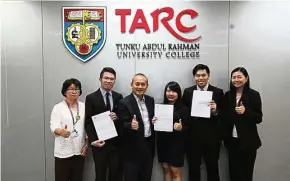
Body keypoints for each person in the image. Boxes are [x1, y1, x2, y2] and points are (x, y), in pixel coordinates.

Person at [182, 64, 224, 181]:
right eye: (198, 75)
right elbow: (184, 113)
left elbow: (224, 115)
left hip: (212, 139)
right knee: (193, 170)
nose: (200, 78)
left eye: (203, 75)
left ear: (208, 75)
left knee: (213, 170)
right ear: (194, 77)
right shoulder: (188, 92)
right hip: (192, 139)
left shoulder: (218, 92)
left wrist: (216, 110)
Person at [221, 67, 263, 181]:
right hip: (232, 141)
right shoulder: (228, 95)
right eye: (233, 77)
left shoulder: (254, 94)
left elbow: (259, 118)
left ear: (246, 78)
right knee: (233, 173)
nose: (236, 80)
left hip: (248, 142)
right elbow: (224, 117)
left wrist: (246, 112)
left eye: (239, 77)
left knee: (246, 174)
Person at [85, 67, 123, 181]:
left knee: (115, 175)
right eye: (106, 78)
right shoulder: (91, 98)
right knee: (100, 175)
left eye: (112, 79)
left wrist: (117, 117)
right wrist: (93, 141)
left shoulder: (118, 97)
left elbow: (122, 118)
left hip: (116, 144)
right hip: (99, 143)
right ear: (100, 79)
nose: (109, 81)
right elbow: (88, 122)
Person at [118, 73, 155, 181]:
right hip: (131, 151)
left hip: (148, 148)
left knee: (146, 178)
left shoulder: (150, 100)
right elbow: (119, 125)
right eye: (137, 84)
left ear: (147, 86)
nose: (140, 87)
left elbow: (151, 118)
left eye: (143, 84)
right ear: (131, 85)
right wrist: (130, 125)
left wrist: (155, 121)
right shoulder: (123, 102)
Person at [50, 78, 88, 181]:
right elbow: (53, 126)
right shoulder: (58, 108)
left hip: (79, 151)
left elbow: (88, 127)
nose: (75, 91)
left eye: (77, 89)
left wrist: (86, 145)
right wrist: (61, 131)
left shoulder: (84, 106)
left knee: (78, 178)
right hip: (63, 151)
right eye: (71, 89)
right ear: (65, 91)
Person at [155, 81, 189, 181]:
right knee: (166, 169)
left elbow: (189, 127)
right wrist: (154, 121)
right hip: (163, 142)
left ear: (178, 93)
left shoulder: (184, 109)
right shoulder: (160, 107)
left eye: (174, 91)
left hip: (177, 144)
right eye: (168, 91)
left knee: (175, 171)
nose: (171, 94)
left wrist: (181, 128)